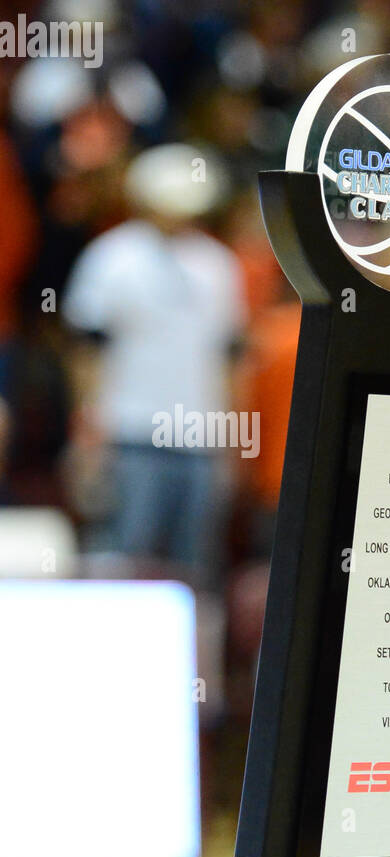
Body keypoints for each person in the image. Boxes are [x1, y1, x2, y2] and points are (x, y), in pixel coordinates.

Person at [62, 143, 245, 589]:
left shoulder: (217, 264)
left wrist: (234, 438)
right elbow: (87, 351)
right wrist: (88, 429)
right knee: (125, 559)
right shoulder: (112, 257)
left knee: (196, 567)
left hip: (199, 437)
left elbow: (230, 358)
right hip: (130, 432)